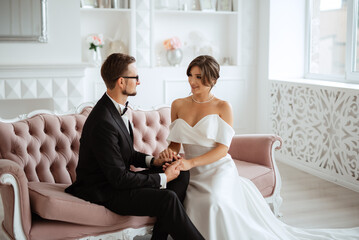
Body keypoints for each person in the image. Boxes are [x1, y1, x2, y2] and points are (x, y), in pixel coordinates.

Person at [160, 55, 359, 240]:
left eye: (198, 77)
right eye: (190, 75)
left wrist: (190, 162)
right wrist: (170, 152)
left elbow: (222, 149)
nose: (192, 81)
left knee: (213, 202)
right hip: (189, 171)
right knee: (191, 202)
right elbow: (176, 142)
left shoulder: (223, 107)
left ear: (212, 80)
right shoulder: (178, 104)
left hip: (217, 169)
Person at [65, 53, 204, 240]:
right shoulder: (103, 121)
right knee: (167, 198)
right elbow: (119, 179)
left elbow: (127, 154)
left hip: (117, 181)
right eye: (136, 77)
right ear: (121, 82)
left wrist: (155, 161)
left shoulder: (116, 109)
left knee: (181, 174)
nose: (139, 82)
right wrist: (162, 177)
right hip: (105, 190)